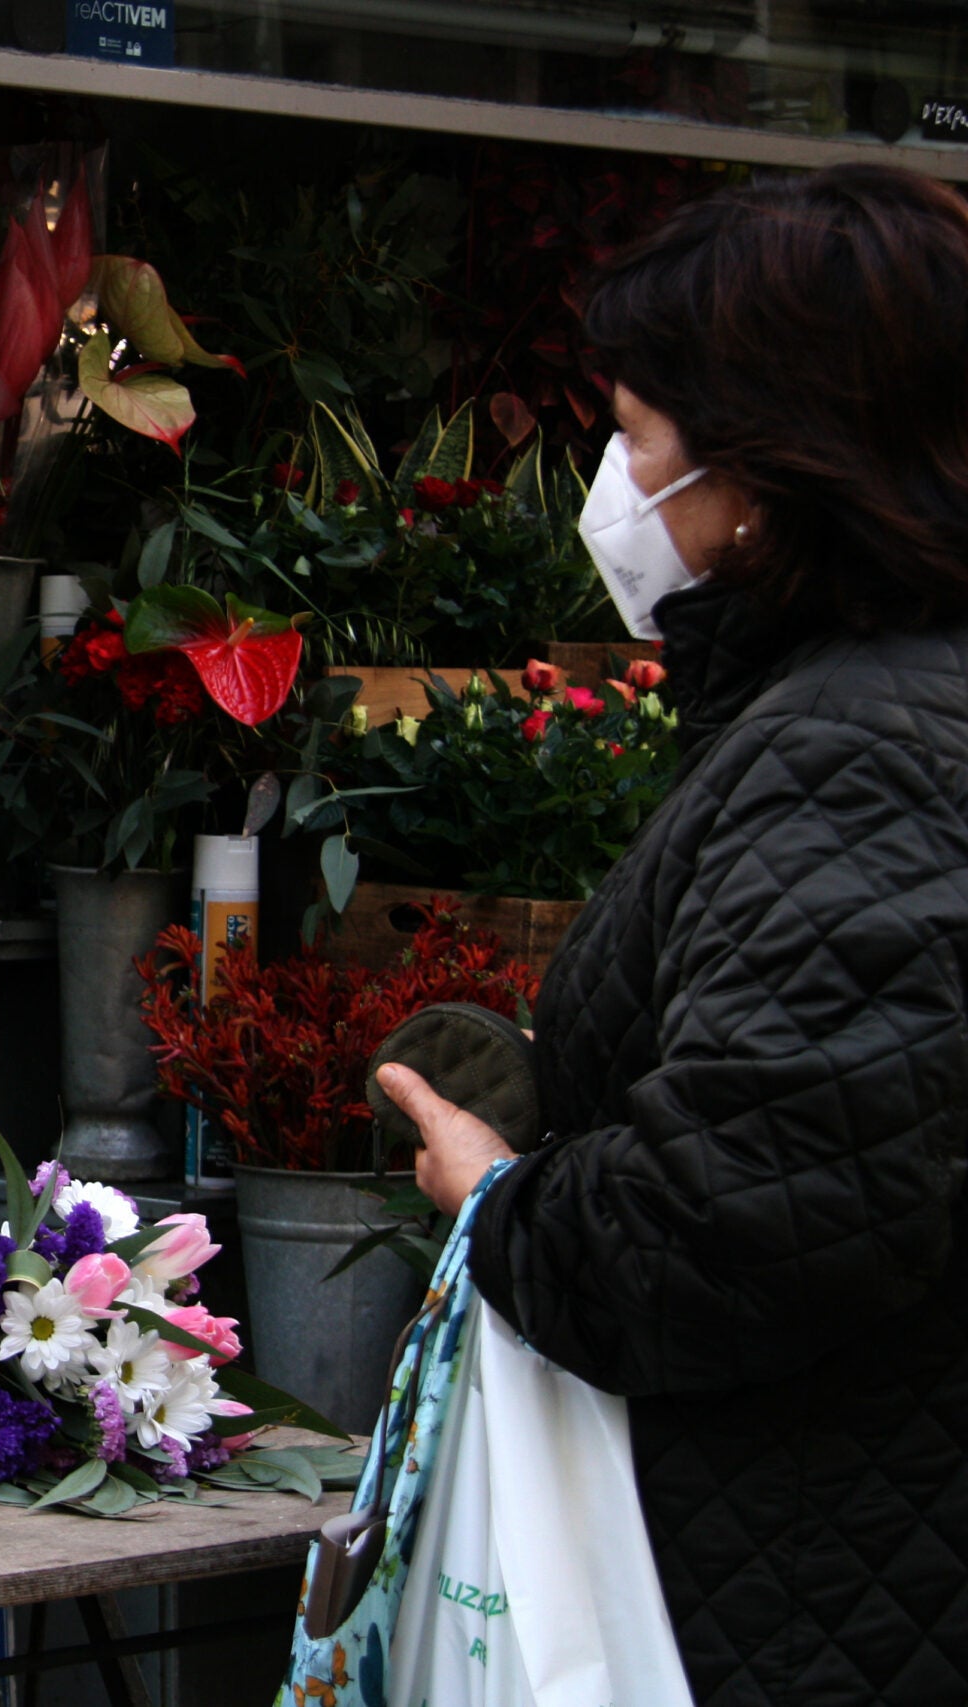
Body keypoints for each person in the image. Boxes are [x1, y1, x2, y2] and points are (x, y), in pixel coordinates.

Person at [377, 164, 968, 1705]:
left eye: (635, 436)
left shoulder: (860, 751)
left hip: (818, 1583)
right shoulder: (878, 708)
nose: (613, 484)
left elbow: (757, 1215)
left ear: (768, 470)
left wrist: (502, 1202)